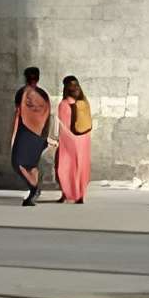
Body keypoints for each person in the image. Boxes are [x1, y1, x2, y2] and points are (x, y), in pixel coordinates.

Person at [11, 66, 52, 206]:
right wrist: (45, 136)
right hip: (39, 134)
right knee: (31, 163)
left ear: (25, 77)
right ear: (38, 78)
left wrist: (13, 134)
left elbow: (18, 115)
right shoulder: (43, 94)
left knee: (18, 163)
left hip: (25, 133)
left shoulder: (21, 93)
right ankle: (34, 189)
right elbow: (47, 115)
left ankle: (34, 189)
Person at [55, 75, 93, 205]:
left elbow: (62, 126)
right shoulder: (84, 102)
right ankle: (80, 195)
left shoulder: (64, 104)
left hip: (69, 140)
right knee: (81, 166)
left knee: (65, 166)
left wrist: (59, 140)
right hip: (84, 139)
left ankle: (66, 193)